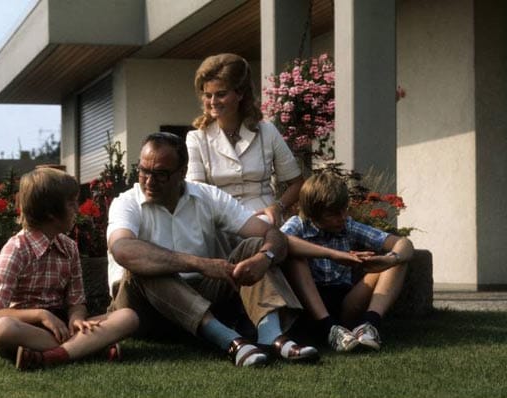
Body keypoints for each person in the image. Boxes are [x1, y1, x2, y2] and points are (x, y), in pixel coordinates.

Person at [107, 132, 319, 367]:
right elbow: (122, 249)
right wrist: (200, 263)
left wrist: (264, 257)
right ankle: (230, 341)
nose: (148, 181)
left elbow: (273, 234)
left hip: (202, 297)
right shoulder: (126, 202)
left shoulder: (207, 196)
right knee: (144, 264)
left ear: (182, 172)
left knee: (254, 247)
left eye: (160, 174)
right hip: (143, 310)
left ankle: (271, 336)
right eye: (144, 170)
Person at [0, 167, 139, 371]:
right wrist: (41, 315)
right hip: (28, 329)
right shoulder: (15, 250)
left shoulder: (69, 247)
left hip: (65, 328)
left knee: (128, 317)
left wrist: (76, 319)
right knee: (1, 330)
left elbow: (76, 302)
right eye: (71, 203)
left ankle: (50, 356)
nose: (78, 208)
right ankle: (89, 348)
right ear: (51, 213)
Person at [281, 171, 414, 352]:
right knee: (295, 256)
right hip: (307, 304)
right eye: (333, 214)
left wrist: (388, 259)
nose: (342, 217)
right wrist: (333, 254)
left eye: (344, 209)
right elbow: (280, 241)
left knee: (397, 260)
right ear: (314, 213)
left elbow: (403, 243)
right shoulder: (298, 224)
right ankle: (328, 328)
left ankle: (369, 326)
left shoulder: (348, 225)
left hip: (344, 302)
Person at [186, 53, 303, 227]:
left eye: (221, 94)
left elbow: (297, 183)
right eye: (207, 95)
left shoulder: (267, 131)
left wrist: (278, 207)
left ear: (240, 94)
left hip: (264, 218)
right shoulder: (197, 138)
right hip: (219, 221)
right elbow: (196, 193)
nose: (212, 101)